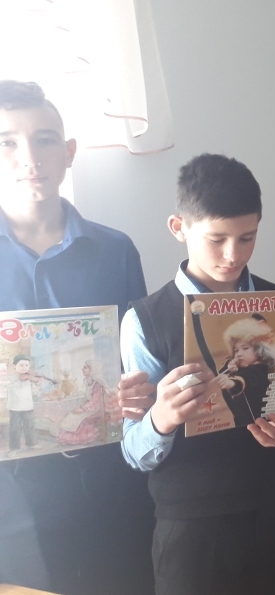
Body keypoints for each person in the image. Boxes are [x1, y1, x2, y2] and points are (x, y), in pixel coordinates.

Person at [120, 153, 275, 595]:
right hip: (191, 529)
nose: (233, 255)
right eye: (217, 239)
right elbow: (133, 450)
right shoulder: (144, 320)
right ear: (179, 228)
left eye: (247, 238)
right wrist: (161, 420)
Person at [0, 79, 156, 595]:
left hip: (110, 478)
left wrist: (137, 390)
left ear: (69, 152)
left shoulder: (115, 250)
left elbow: (140, 363)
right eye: (8, 142)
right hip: (15, 492)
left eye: (44, 140)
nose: (29, 158)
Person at [214, 314, 275, 426]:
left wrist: (231, 383)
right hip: (243, 422)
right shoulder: (240, 368)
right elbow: (220, 374)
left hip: (260, 422)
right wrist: (228, 368)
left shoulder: (260, 370)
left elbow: (246, 379)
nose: (239, 354)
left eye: (245, 348)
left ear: (259, 350)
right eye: (236, 350)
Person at [3, 355, 39, 453]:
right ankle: (14, 448)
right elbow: (6, 386)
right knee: (15, 428)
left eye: (26, 365)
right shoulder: (11, 378)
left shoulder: (29, 379)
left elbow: (35, 392)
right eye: (21, 365)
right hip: (15, 407)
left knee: (30, 426)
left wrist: (37, 383)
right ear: (14, 366)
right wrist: (19, 378)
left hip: (28, 406)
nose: (24, 367)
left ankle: (32, 444)